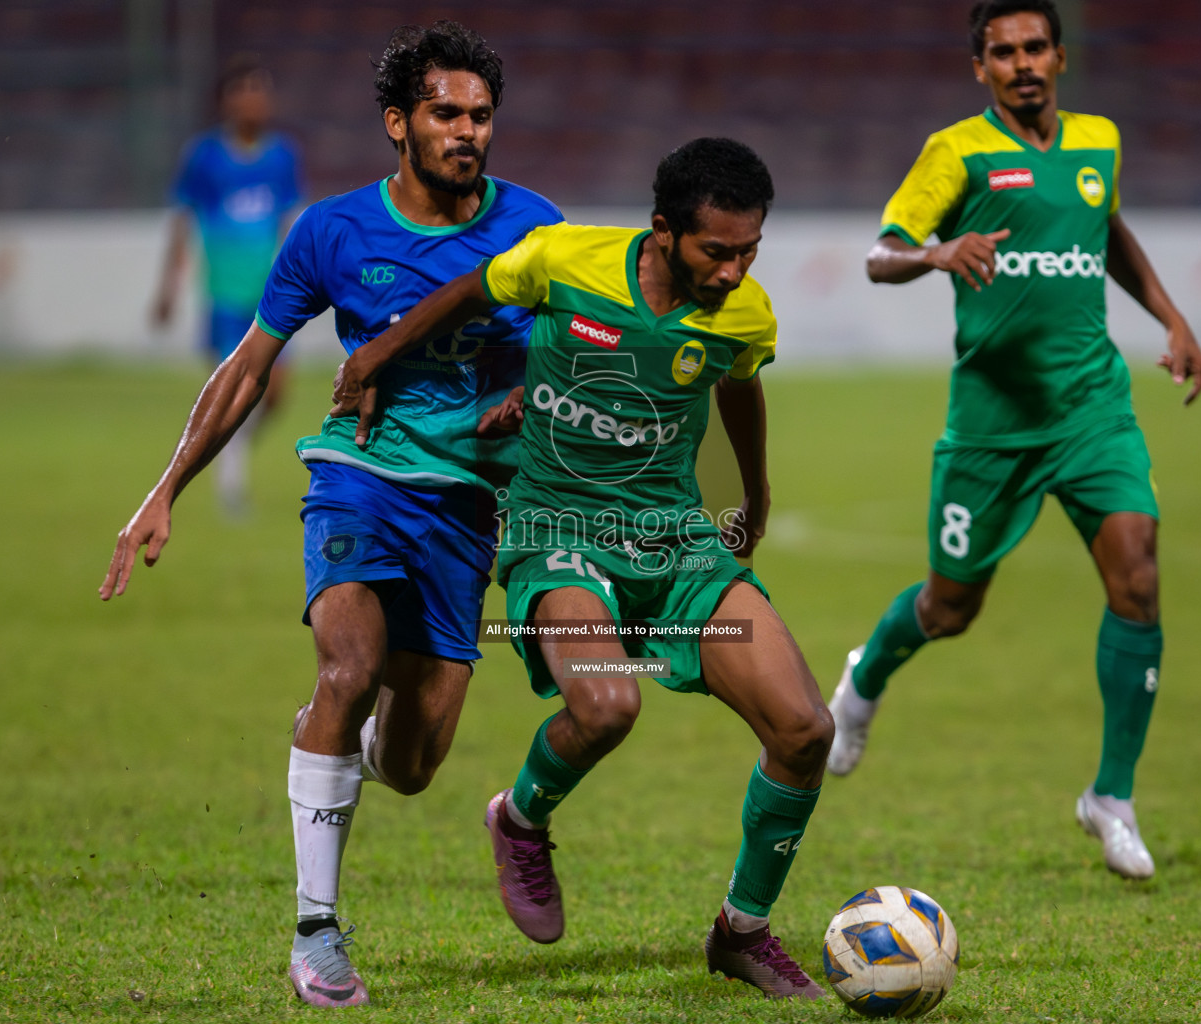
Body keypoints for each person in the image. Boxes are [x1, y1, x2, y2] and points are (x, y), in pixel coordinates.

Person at [100, 21, 562, 1007]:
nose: (467, 131)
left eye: (480, 116)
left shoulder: (536, 228)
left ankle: (341, 743)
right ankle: (317, 930)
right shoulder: (332, 231)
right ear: (399, 122)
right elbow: (246, 371)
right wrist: (164, 487)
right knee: (345, 665)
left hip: (468, 507)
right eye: (445, 113)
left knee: (415, 759)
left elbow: (584, 347)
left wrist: (541, 393)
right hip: (358, 476)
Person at [332, 137, 833, 1000]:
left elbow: (740, 384)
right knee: (605, 704)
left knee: (805, 730)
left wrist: (753, 493)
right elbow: (468, 291)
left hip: (676, 540)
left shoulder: (746, 313)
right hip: (558, 529)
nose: (734, 271)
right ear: (664, 230)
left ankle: (741, 932)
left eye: (750, 250)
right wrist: (377, 355)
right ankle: (520, 819)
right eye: (717, 251)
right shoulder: (567, 260)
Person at [825, 0, 1201, 881]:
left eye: (1036, 47)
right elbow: (881, 253)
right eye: (1003, 52)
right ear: (981, 69)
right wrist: (935, 252)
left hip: (1090, 408)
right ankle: (864, 679)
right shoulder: (955, 151)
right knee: (950, 608)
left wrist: (1173, 315)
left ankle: (1111, 794)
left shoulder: (1099, 141)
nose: (1022, 63)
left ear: (1061, 57)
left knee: (1138, 570)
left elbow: (1105, 227)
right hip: (993, 427)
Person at [152, 54, 304, 516]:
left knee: (275, 392)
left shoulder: (282, 156)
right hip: (224, 296)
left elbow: (288, 223)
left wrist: (300, 283)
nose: (253, 100)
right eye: (244, 90)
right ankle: (230, 484)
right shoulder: (205, 157)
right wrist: (169, 287)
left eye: (260, 90)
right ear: (226, 100)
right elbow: (182, 220)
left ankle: (231, 449)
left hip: (270, 296)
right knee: (235, 387)